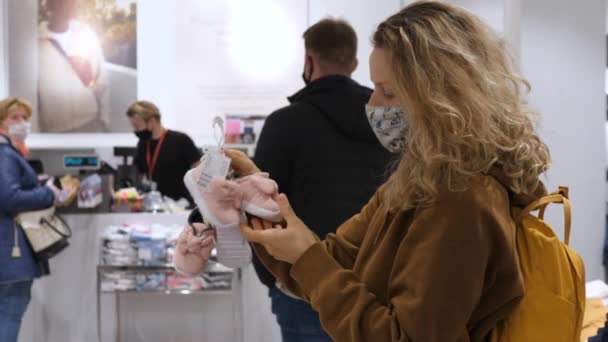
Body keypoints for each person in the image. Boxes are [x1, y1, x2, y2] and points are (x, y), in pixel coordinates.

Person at [227, 1, 551, 341]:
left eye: (388, 91)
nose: (372, 104)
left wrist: (307, 256)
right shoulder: (419, 179)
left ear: (443, 97)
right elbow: (333, 259)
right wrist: (254, 199)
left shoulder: (462, 199)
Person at [252, 18, 392, 341]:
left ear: (308, 60)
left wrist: (274, 277)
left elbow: (259, 205)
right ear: (356, 63)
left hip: (303, 284)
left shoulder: (284, 124)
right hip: (374, 285)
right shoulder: (387, 121)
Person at [0, 98, 60, 342]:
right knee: (10, 311)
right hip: (9, 249)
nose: (22, 123)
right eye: (14, 118)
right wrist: (48, 193)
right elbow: (10, 198)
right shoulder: (4, 155)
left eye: (25, 118)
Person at [38, 0, 109, 133]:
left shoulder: (86, 34)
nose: (67, 3)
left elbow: (102, 79)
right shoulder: (36, 41)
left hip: (90, 123)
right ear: (49, 4)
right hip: (55, 131)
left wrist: (104, 120)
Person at [127, 100, 201, 204]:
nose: (135, 130)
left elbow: (199, 169)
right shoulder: (142, 144)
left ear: (152, 121)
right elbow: (138, 172)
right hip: (155, 204)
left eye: (137, 126)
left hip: (182, 203)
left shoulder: (181, 140)